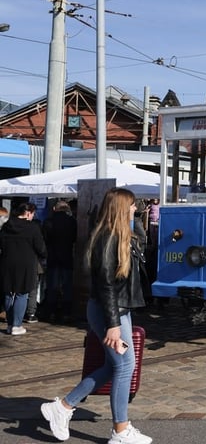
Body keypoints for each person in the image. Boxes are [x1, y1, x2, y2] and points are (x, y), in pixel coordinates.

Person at [40, 187, 152, 444]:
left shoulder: (123, 235)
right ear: (121, 208)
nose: (136, 208)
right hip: (108, 311)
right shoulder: (108, 238)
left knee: (115, 366)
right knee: (124, 366)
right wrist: (113, 325)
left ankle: (63, 407)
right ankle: (120, 431)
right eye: (133, 205)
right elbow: (106, 286)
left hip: (118, 309)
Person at [1, 202, 48, 335]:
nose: (33, 216)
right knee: (22, 293)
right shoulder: (32, 228)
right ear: (28, 213)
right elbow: (41, 248)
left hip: (7, 263)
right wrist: (44, 255)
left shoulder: (6, 226)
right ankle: (17, 325)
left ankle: (10, 324)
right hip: (26, 264)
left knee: (9, 293)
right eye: (33, 214)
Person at [43, 201, 78, 323]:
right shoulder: (72, 221)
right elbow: (74, 238)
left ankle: (51, 312)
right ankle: (66, 312)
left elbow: (45, 239)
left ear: (55, 209)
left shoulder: (49, 221)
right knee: (67, 286)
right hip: (67, 257)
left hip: (52, 257)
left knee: (52, 286)